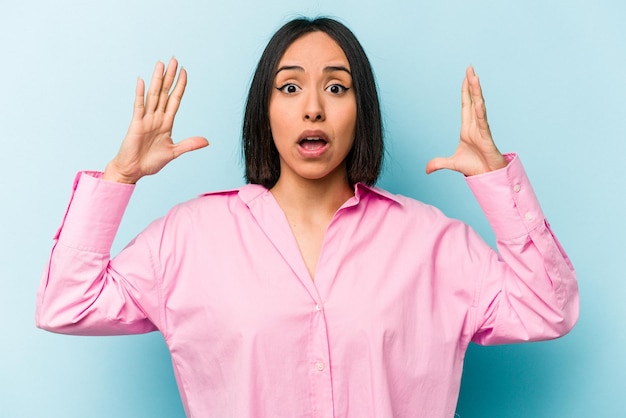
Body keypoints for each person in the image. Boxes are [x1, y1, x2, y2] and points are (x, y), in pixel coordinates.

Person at [36, 17, 579, 418]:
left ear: (359, 109)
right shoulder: (190, 238)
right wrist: (119, 178)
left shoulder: (431, 241)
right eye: (289, 87)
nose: (313, 107)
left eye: (336, 87)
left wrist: (496, 182)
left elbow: (547, 310)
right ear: (264, 111)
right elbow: (66, 303)